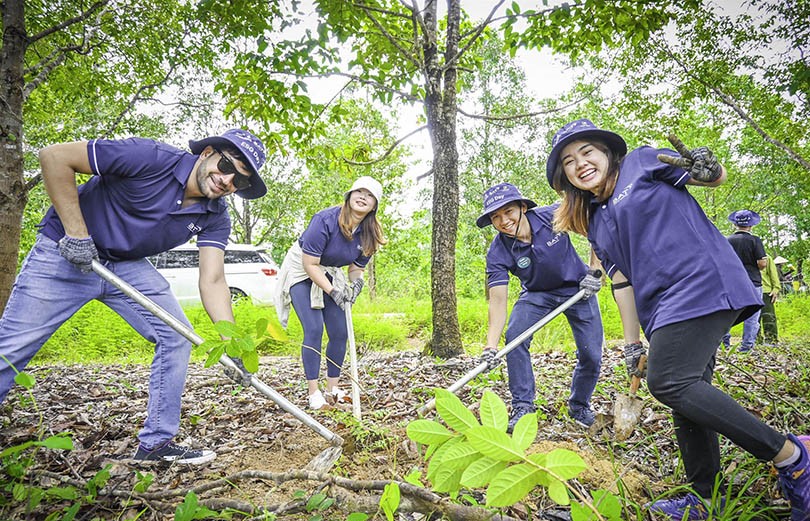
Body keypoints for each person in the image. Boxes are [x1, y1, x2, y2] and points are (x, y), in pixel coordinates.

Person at [546, 118, 809, 520]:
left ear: (607, 153)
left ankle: (794, 457)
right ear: (563, 176)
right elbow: (622, 281)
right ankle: (706, 494)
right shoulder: (595, 220)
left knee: (669, 381)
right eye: (568, 161)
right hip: (664, 307)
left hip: (702, 280)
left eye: (587, 152)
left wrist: (709, 168)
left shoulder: (641, 161)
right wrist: (632, 342)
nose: (580, 163)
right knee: (688, 391)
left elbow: (710, 177)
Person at [0, 129, 268, 465]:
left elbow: (212, 280)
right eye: (227, 164)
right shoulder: (149, 156)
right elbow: (54, 156)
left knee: (176, 336)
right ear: (208, 152)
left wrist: (233, 343)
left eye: (239, 182)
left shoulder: (215, 216)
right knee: (10, 349)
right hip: (64, 253)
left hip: (125, 266)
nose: (227, 180)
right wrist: (77, 233)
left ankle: (156, 444)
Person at [476, 182, 604, 431]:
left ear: (523, 207)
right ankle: (523, 406)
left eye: (509, 212)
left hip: (579, 289)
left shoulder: (551, 215)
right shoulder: (497, 251)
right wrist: (490, 345)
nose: (504, 221)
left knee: (591, 354)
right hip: (536, 295)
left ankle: (579, 405)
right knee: (515, 339)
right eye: (496, 217)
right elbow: (498, 300)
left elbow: (595, 224)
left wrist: (595, 271)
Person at [274, 177, 385, 411]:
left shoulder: (369, 233)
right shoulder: (325, 220)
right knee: (314, 329)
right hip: (303, 270)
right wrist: (333, 290)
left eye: (370, 194)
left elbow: (356, 268)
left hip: (331, 272)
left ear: (374, 205)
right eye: (359, 191)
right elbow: (310, 264)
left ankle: (332, 388)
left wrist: (356, 285)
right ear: (349, 195)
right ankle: (313, 393)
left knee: (339, 331)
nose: (363, 196)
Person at [721, 210, 767, 352]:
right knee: (752, 317)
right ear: (751, 225)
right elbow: (762, 264)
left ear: (735, 224)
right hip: (752, 281)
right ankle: (746, 347)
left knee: (728, 313)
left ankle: (724, 345)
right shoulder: (755, 240)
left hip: (731, 282)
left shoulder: (726, 240)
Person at [759, 254, 781, 345]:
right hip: (751, 291)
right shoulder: (746, 256)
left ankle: (771, 340)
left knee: (768, 316)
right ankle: (756, 340)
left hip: (766, 291)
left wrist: (776, 288)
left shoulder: (766, 257)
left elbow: (773, 274)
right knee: (753, 319)